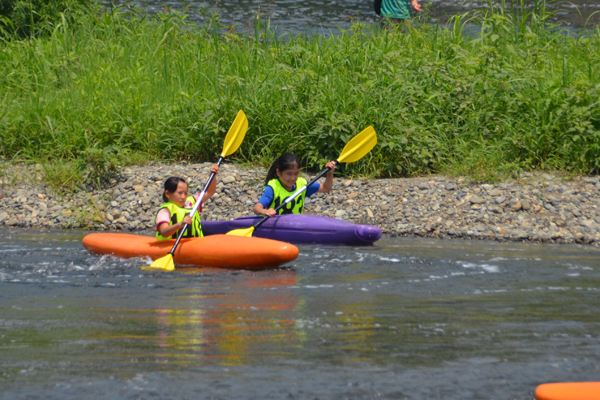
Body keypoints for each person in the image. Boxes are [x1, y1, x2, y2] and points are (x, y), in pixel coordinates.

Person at [253, 153, 336, 217]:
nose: (293, 178)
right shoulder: (273, 188)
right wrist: (265, 211)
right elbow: (257, 208)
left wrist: (330, 173)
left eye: (296, 173)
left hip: (294, 226)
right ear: (278, 172)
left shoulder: (302, 184)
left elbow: (326, 188)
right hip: (277, 228)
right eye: (289, 174)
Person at [155, 164, 219, 240]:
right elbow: (164, 232)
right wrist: (180, 224)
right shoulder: (165, 211)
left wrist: (213, 175)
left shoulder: (192, 203)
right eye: (180, 193)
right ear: (168, 194)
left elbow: (209, 192)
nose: (183, 196)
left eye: (185, 193)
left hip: (195, 244)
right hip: (170, 245)